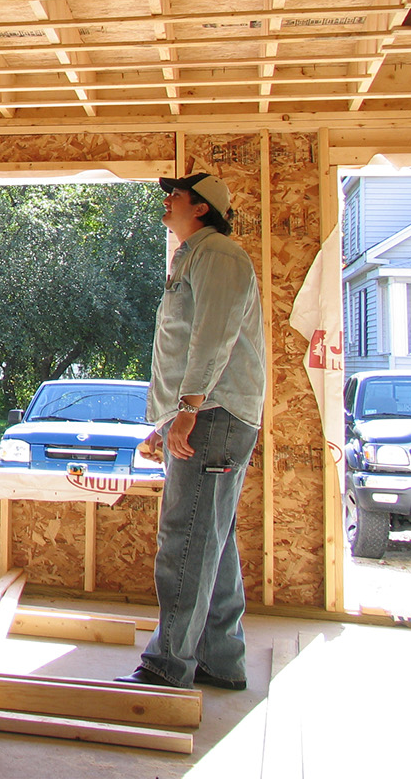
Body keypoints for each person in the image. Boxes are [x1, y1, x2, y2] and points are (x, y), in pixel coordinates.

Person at [117, 172, 265, 690]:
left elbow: (214, 336)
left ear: (201, 208)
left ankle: (166, 666)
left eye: (176, 194)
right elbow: (184, 343)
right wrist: (168, 419)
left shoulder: (218, 254)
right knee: (212, 541)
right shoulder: (192, 257)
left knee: (186, 539)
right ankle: (220, 661)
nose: (167, 199)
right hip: (207, 413)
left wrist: (189, 408)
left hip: (214, 413)